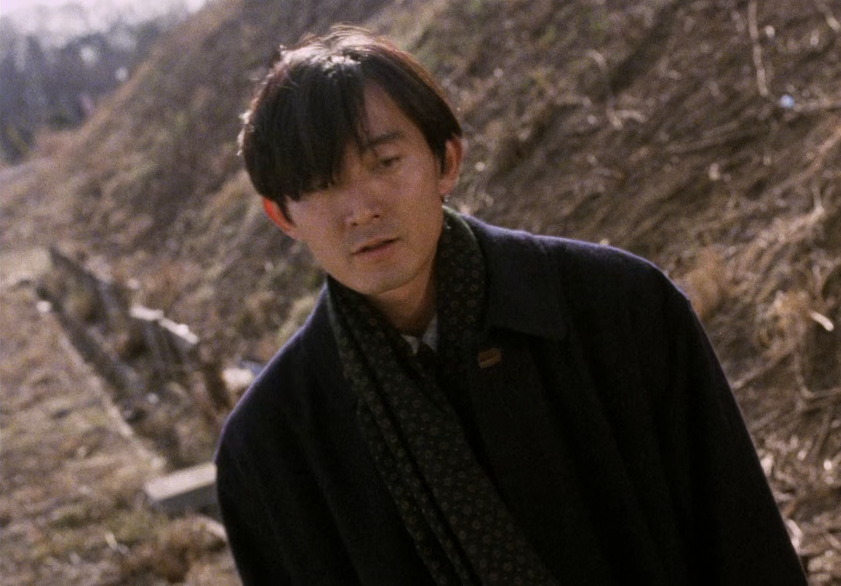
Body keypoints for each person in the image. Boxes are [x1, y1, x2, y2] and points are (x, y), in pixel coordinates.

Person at [215, 25, 807, 586]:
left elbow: (747, 547)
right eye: (322, 184)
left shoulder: (618, 309)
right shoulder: (269, 451)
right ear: (283, 215)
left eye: (385, 163)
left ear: (446, 161)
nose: (361, 209)